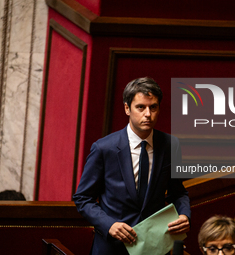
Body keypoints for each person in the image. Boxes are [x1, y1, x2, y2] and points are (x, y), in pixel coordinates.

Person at [73, 77, 191, 255]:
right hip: (112, 247)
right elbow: (83, 198)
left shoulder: (170, 145)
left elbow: (178, 192)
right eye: (141, 107)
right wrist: (109, 224)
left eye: (153, 107)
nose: (148, 114)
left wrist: (184, 214)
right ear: (127, 108)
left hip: (154, 247)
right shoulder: (104, 148)